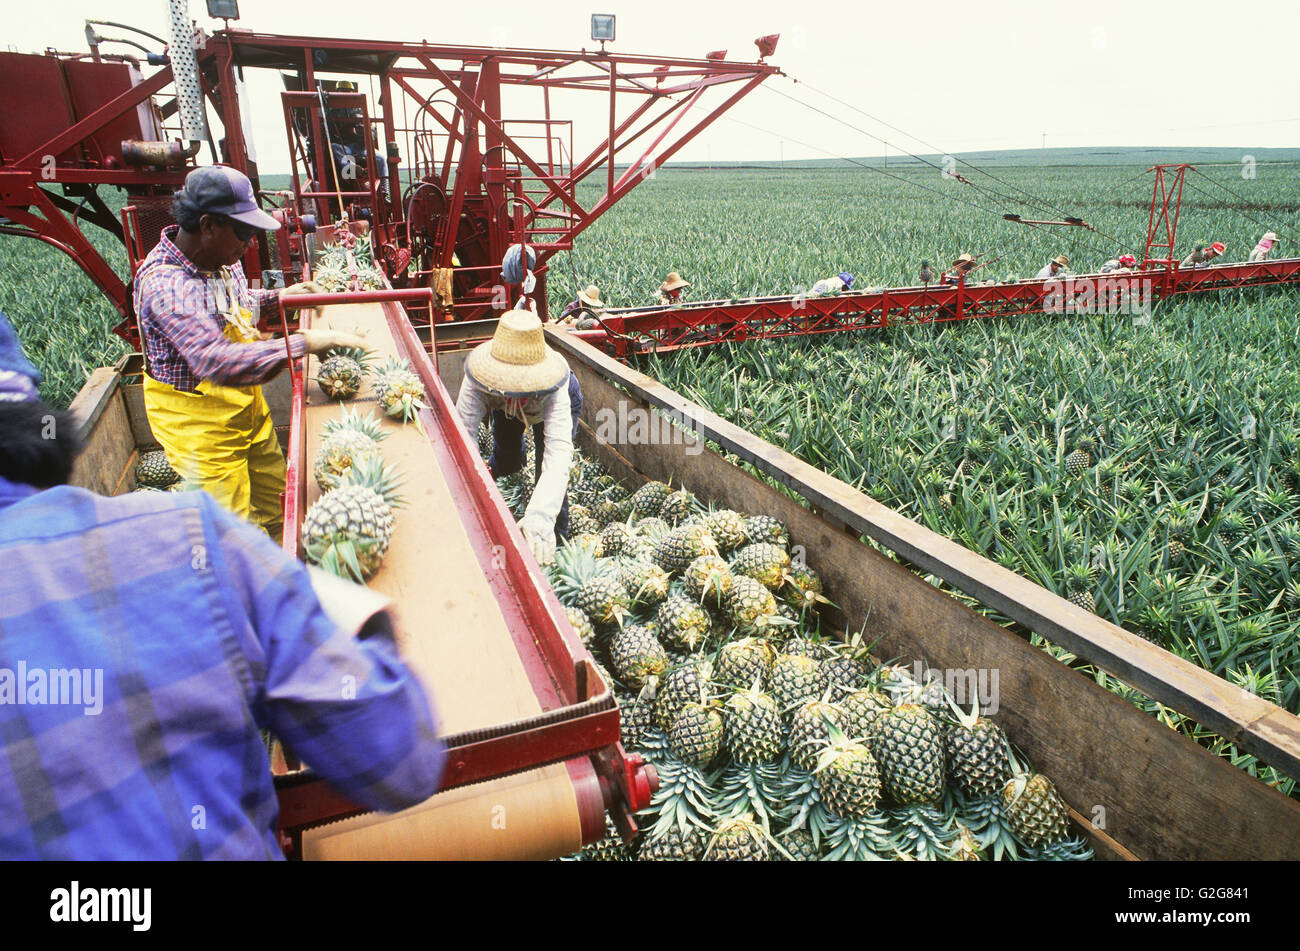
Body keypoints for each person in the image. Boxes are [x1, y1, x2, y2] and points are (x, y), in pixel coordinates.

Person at [0, 313, 444, 859]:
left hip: (242, 425)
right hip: (202, 440)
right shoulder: (189, 538)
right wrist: (337, 609)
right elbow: (399, 759)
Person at [134, 165, 368, 539]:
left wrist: (280, 298)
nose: (250, 243)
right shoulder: (167, 284)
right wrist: (303, 343)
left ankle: (281, 563)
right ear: (208, 225)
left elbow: (237, 305)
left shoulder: (220, 261)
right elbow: (215, 360)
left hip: (246, 409)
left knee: (279, 501)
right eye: (244, 233)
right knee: (230, 538)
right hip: (201, 430)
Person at [457, 309, 582, 566]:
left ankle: (555, 545)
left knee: (544, 478)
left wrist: (540, 518)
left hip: (550, 405)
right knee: (506, 457)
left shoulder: (555, 385)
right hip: (504, 407)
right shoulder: (479, 380)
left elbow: (557, 454)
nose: (519, 387)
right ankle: (502, 495)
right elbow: (462, 438)